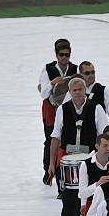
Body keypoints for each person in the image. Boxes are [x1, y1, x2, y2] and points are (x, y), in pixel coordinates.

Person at [47, 77, 109, 186]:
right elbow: (55, 137)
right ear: (70, 92)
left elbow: (103, 137)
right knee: (68, 197)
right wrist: (51, 163)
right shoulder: (62, 109)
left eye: (80, 89)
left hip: (90, 158)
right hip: (67, 158)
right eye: (74, 90)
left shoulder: (97, 108)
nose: (77, 93)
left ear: (85, 90)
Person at [38, 38, 74, 183]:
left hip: (67, 109)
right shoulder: (48, 69)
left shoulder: (74, 69)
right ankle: (48, 170)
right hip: (51, 110)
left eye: (67, 54)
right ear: (56, 54)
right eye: (61, 55)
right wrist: (53, 82)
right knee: (50, 140)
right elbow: (43, 93)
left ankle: (62, 173)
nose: (64, 58)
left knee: (66, 141)